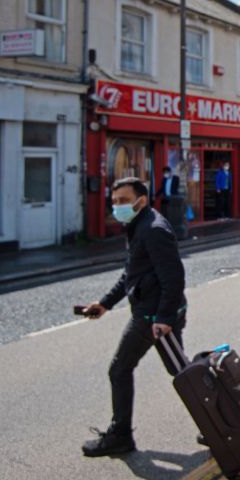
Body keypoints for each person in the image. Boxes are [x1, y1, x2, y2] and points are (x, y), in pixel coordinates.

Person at [81, 177, 187, 457]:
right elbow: (132, 273)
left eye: (124, 201)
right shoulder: (139, 224)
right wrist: (105, 304)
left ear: (141, 200)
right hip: (158, 311)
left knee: (119, 369)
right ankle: (223, 424)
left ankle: (120, 436)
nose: (118, 206)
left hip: (153, 316)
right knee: (183, 373)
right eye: (115, 201)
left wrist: (163, 318)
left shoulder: (152, 229)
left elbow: (174, 277)